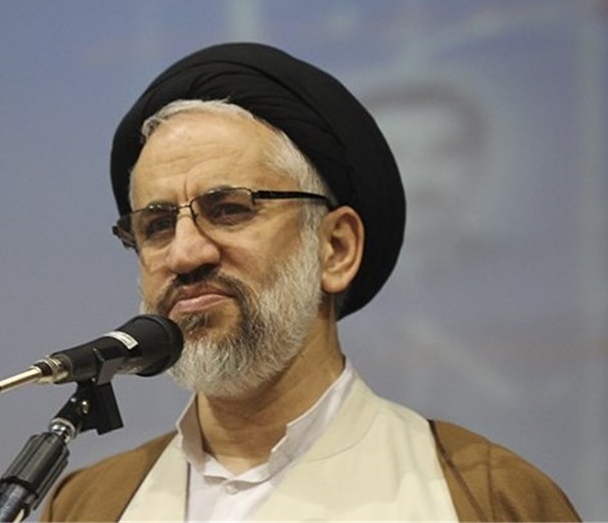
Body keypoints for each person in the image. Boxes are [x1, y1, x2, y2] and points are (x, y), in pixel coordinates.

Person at [40, 43, 580, 522]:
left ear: (335, 248)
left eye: (228, 209)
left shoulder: (488, 499)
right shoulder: (91, 506)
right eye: (157, 225)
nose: (184, 253)